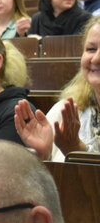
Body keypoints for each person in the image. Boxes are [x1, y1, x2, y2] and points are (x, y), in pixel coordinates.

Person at [15, 16, 100, 161]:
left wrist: (77, 151)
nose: (96, 59)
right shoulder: (66, 111)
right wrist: (43, 155)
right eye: (91, 49)